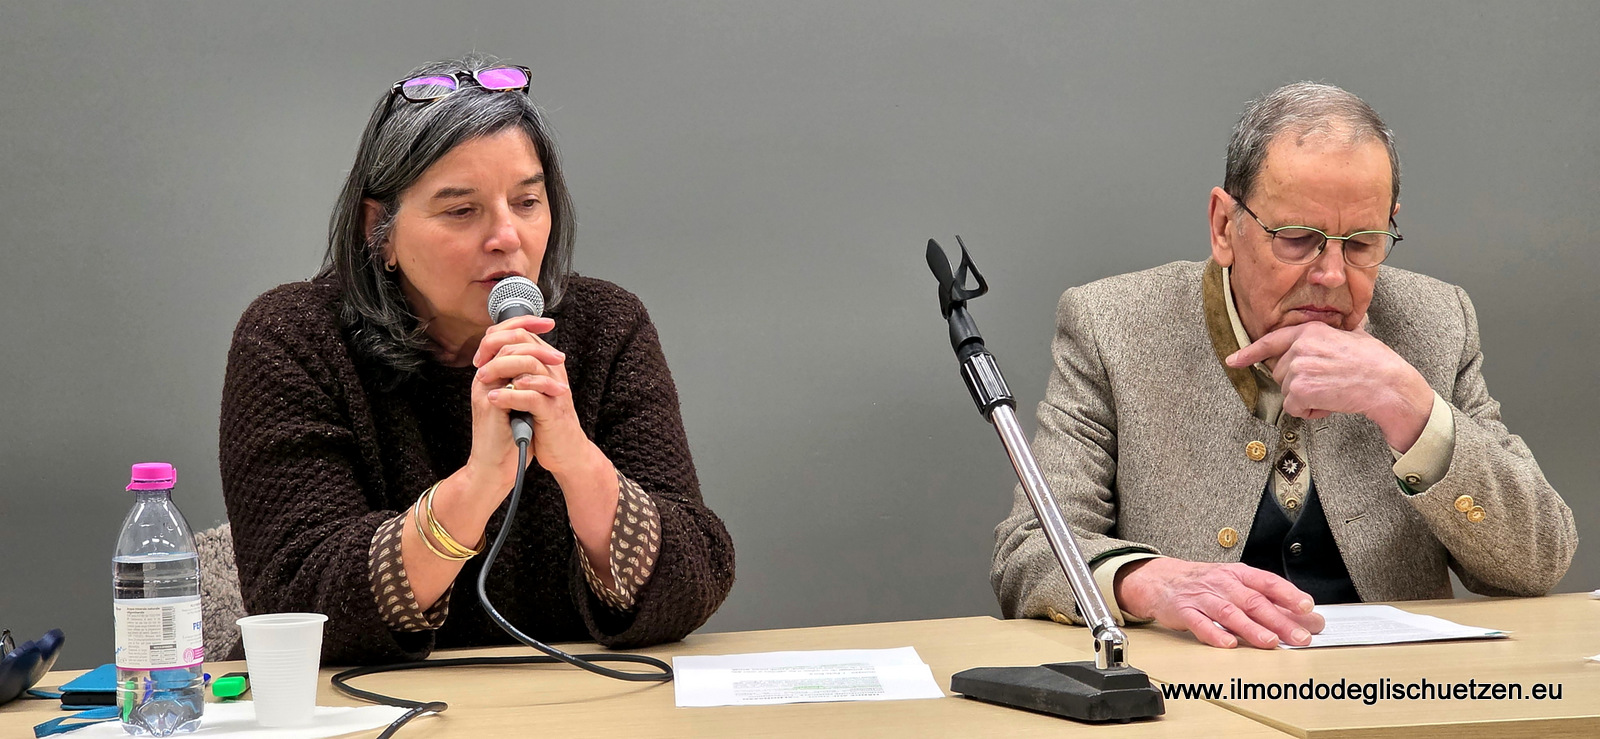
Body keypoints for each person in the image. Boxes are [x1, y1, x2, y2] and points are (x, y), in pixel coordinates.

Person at [991, 82, 1577, 650]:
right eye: (1297, 238)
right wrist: (1148, 582)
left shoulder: (1436, 320)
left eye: (1363, 243)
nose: (1332, 274)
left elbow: (1537, 562)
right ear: (1224, 226)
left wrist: (1410, 407)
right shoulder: (1112, 324)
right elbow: (1029, 550)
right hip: (1195, 687)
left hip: (1396, 690)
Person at [220, 55, 735, 664]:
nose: (507, 237)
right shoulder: (292, 337)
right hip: (371, 706)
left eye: (527, 202)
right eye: (462, 210)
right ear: (379, 230)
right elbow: (295, 605)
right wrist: (478, 484)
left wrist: (575, 459)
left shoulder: (606, 325)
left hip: (570, 699)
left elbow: (694, 578)